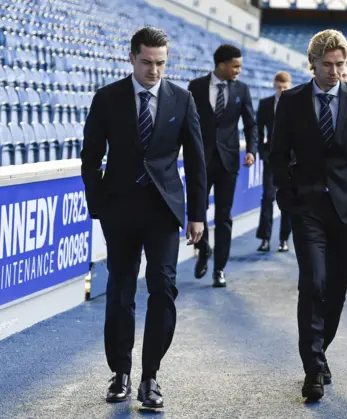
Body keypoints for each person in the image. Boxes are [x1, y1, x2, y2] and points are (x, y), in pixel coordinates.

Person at [80, 27, 207, 408]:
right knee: (120, 290)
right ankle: (120, 372)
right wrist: (97, 203)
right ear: (132, 57)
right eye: (148, 62)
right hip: (119, 209)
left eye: (161, 64)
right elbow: (90, 157)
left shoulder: (182, 100)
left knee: (163, 289)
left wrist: (197, 214)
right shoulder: (107, 98)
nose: (155, 70)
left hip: (163, 209)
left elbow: (198, 161)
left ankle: (150, 378)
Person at [270, 29, 347, 401]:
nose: (335, 71)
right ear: (313, 64)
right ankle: (313, 368)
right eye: (328, 65)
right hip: (308, 208)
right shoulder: (292, 101)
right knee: (313, 283)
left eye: (341, 64)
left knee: (336, 289)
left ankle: (321, 350)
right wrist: (287, 197)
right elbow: (278, 154)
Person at [188, 44, 258, 287]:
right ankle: (204, 247)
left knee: (224, 216)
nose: (239, 70)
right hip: (201, 161)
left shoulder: (242, 89)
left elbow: (251, 123)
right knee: (197, 211)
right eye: (235, 65)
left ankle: (219, 269)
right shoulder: (196, 87)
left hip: (229, 162)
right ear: (221, 65)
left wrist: (251, 150)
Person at [256, 71, 293, 252]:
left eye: (285, 88)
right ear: (274, 85)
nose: (282, 90)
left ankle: (284, 239)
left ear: (290, 86)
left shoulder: (297, 105)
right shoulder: (265, 104)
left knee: (287, 199)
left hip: (290, 160)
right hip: (270, 158)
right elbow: (258, 130)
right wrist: (261, 151)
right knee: (267, 198)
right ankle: (264, 239)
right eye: (279, 87)